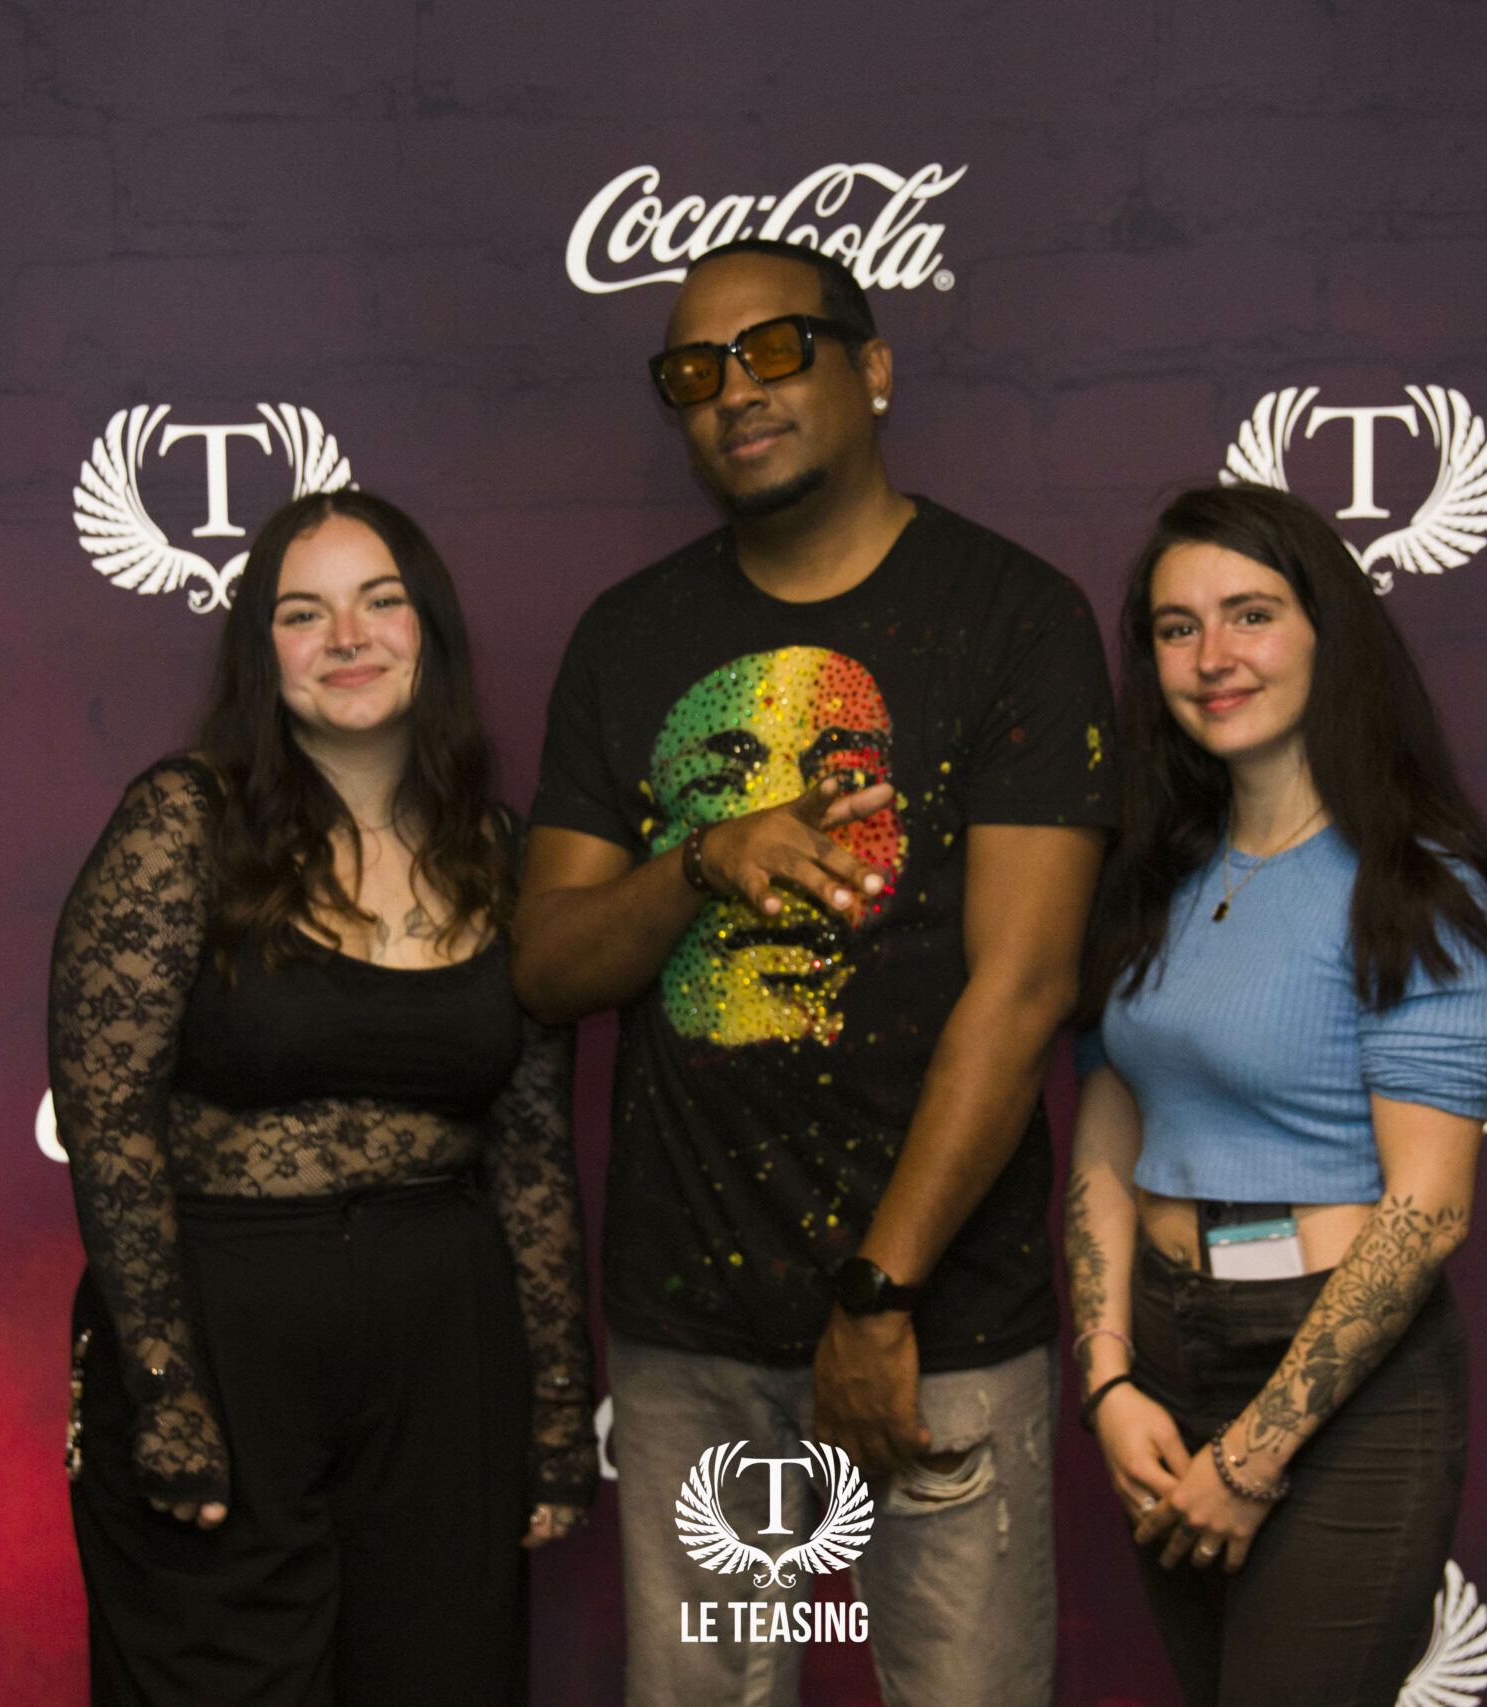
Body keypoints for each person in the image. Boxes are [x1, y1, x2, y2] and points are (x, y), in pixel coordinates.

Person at [515, 236, 1115, 1707]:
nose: (735, 391)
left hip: (936, 1324)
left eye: (776, 349)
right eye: (694, 372)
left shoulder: (1012, 618)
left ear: (875, 368)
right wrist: (698, 861)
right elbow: (545, 962)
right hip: (691, 1328)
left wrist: (877, 1294)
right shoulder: (627, 638)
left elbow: (1024, 990)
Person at [47, 488, 596, 1706]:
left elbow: (529, 1154)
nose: (347, 638)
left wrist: (560, 1407)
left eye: (379, 601)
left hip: (444, 1348)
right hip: (226, 1335)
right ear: (263, 652)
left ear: (429, 629)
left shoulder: (504, 855)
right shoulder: (183, 824)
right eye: (304, 614)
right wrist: (167, 1393)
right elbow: (107, 1116)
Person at [1065, 482, 1487, 1706]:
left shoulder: (1418, 886)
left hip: (1338, 1384)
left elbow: (1427, 1211)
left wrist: (1253, 1456)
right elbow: (1107, 1129)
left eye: (1250, 614)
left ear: (1329, 634)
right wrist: (1107, 1377)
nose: (1212, 656)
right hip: (1163, 1358)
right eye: (1176, 628)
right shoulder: (1151, 874)